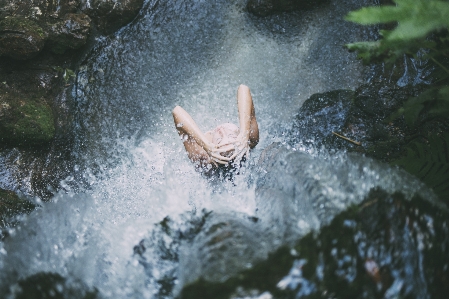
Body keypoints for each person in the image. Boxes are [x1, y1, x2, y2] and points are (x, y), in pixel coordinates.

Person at [173, 84, 259, 168]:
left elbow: (177, 111)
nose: (221, 130)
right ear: (240, 138)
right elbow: (243, 88)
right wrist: (244, 133)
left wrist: (206, 145)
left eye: (219, 140)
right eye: (230, 135)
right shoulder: (250, 140)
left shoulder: (203, 158)